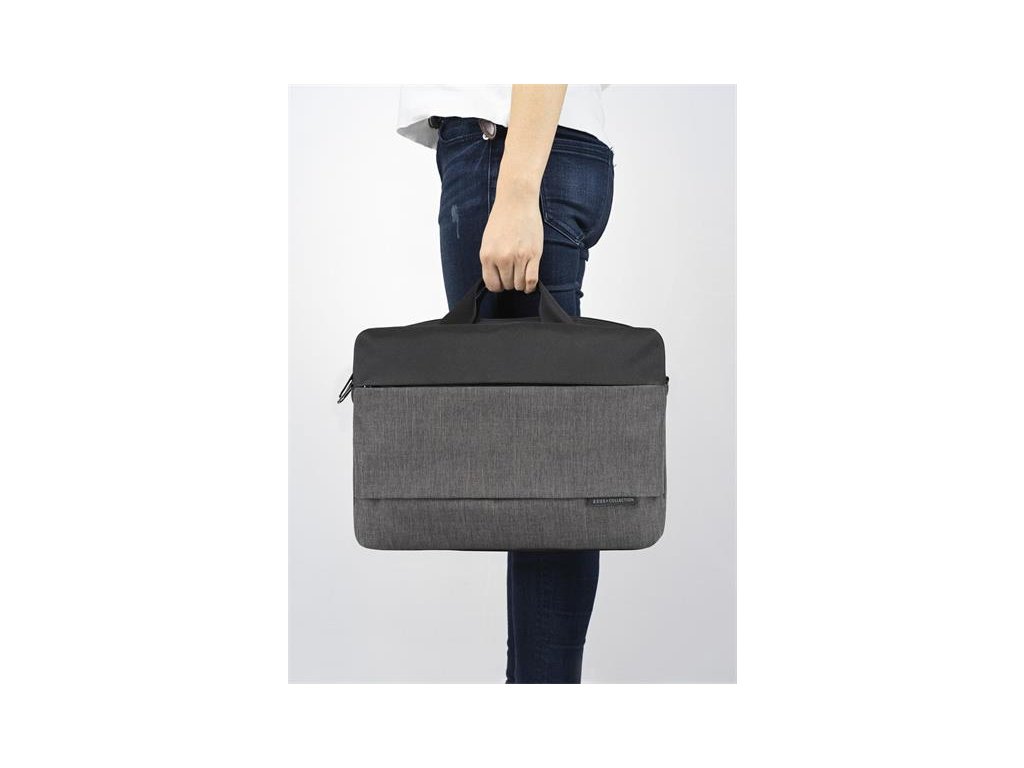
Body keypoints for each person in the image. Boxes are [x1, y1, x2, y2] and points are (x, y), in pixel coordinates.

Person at [397, 85, 615, 683]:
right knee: (544, 470)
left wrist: (516, 190)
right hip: (515, 149)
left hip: (510, 150)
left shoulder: (512, 169)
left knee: (546, 480)